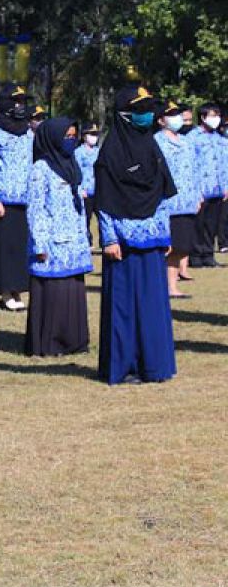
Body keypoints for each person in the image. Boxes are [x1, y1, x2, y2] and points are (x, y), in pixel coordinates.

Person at [94, 85, 177, 386]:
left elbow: (163, 193)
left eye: (148, 109)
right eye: (139, 110)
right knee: (124, 308)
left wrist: (165, 235)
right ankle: (125, 366)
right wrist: (110, 239)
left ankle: (154, 365)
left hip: (153, 239)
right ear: (125, 115)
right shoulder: (110, 151)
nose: (146, 115)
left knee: (153, 305)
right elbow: (103, 201)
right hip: (124, 243)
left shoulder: (153, 147)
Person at [24, 117, 92, 357]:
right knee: (53, 293)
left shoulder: (72, 164)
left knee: (72, 292)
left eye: (74, 136)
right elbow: (36, 208)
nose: (71, 141)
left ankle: (74, 341)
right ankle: (51, 343)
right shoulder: (41, 168)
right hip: (52, 242)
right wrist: (40, 243)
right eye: (66, 137)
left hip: (73, 240)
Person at [0, 84, 33, 310]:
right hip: (4, 199)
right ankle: (5, 293)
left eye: (22, 102)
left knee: (21, 247)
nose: (19, 106)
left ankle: (18, 290)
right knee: (5, 248)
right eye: (15, 102)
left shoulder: (28, 133)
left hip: (25, 199)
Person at [154, 100, 200, 298]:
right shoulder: (156, 142)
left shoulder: (187, 142)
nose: (177, 118)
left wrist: (198, 195)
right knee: (167, 247)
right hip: (166, 205)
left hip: (187, 204)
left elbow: (195, 170)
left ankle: (172, 285)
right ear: (161, 120)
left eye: (178, 114)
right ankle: (164, 286)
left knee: (182, 246)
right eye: (171, 114)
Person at [188, 103, 225, 267]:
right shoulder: (192, 138)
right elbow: (189, 165)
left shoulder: (220, 139)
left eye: (217, 115)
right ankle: (195, 256)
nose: (215, 118)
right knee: (198, 224)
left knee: (212, 225)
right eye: (212, 115)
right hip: (200, 189)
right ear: (203, 117)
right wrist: (195, 191)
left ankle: (208, 255)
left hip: (217, 190)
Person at [75, 122, 100, 245]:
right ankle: (86, 242)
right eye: (92, 134)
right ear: (84, 136)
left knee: (102, 218)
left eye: (96, 134)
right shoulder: (79, 152)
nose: (94, 137)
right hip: (85, 192)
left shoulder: (99, 151)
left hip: (98, 191)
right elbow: (76, 172)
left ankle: (104, 242)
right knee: (86, 219)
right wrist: (80, 189)